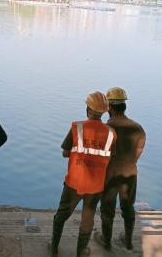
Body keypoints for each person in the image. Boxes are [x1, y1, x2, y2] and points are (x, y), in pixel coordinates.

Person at [49, 91, 117, 257]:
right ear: (104, 112)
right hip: (95, 186)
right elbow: (110, 156)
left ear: (88, 109)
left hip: (74, 182)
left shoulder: (77, 127)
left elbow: (65, 152)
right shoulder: (111, 134)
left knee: (61, 215)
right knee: (88, 219)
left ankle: (54, 249)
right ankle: (81, 252)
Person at [95, 87, 146, 251]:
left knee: (107, 208)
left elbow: (100, 156)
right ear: (124, 106)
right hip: (130, 173)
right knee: (128, 207)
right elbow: (138, 153)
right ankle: (129, 241)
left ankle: (106, 241)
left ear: (109, 107)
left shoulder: (105, 129)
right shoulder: (138, 128)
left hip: (110, 174)